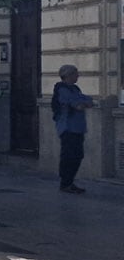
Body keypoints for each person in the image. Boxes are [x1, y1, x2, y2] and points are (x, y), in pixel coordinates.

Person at [52, 64, 94, 194]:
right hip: (67, 127)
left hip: (78, 127)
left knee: (78, 155)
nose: (78, 76)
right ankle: (65, 183)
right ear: (68, 75)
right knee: (69, 155)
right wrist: (81, 103)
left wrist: (84, 102)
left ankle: (69, 182)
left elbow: (88, 100)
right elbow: (76, 104)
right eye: (76, 74)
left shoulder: (75, 88)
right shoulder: (62, 89)